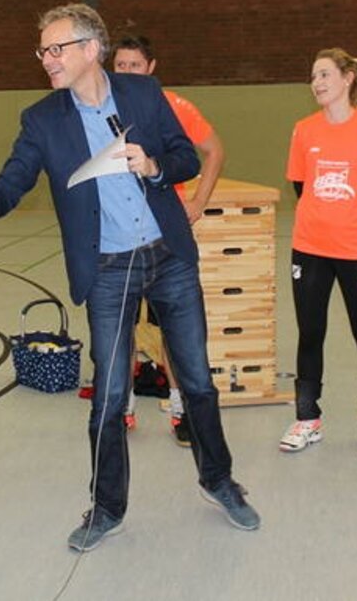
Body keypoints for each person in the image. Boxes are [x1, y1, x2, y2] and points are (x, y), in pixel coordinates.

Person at [0, 3, 259, 553]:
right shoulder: (43, 119)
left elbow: (187, 157)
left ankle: (219, 480)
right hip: (109, 270)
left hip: (169, 257)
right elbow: (11, 183)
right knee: (110, 394)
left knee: (196, 381)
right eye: (42, 50)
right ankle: (108, 506)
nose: (46, 59)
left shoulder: (143, 94)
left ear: (91, 49)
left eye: (56, 48)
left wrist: (154, 166)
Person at [277, 48, 357, 457]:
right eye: (313, 76)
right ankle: (307, 418)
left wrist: (356, 221)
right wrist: (324, 218)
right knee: (310, 333)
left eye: (325, 75)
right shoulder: (303, 130)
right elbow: (301, 186)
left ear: (348, 79)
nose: (317, 83)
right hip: (310, 248)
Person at [112, 35, 226, 444]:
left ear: (152, 67)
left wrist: (198, 201)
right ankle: (121, 408)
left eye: (134, 66)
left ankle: (181, 411)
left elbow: (213, 150)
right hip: (120, 238)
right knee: (120, 327)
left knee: (172, 329)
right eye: (120, 65)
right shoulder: (100, 108)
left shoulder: (174, 107)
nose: (126, 72)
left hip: (164, 239)